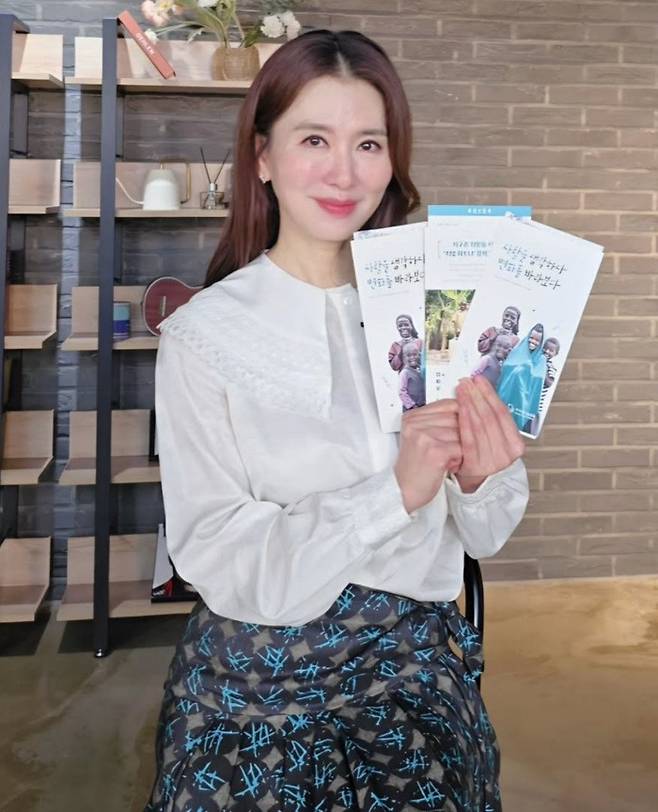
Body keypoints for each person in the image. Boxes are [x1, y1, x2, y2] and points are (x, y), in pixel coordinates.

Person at [145, 29, 529, 812]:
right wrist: (393, 493)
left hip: (413, 662)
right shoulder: (203, 335)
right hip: (254, 669)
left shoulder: (445, 312)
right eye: (314, 139)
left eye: (369, 144)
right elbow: (215, 550)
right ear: (262, 156)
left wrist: (481, 477)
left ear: (392, 160)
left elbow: (484, 535)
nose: (345, 172)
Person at [496, 323, 547, 432]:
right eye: (531, 338)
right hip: (505, 398)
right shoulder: (516, 351)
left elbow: (537, 385)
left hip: (522, 405)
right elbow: (505, 372)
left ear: (541, 343)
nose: (533, 342)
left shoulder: (541, 360)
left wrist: (525, 369)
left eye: (537, 340)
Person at [398, 342, 425, 411]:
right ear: (404, 358)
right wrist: (412, 406)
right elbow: (402, 392)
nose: (412, 357)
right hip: (411, 408)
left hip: (422, 406)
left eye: (415, 354)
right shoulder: (405, 372)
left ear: (419, 355)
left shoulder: (420, 369)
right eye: (409, 355)